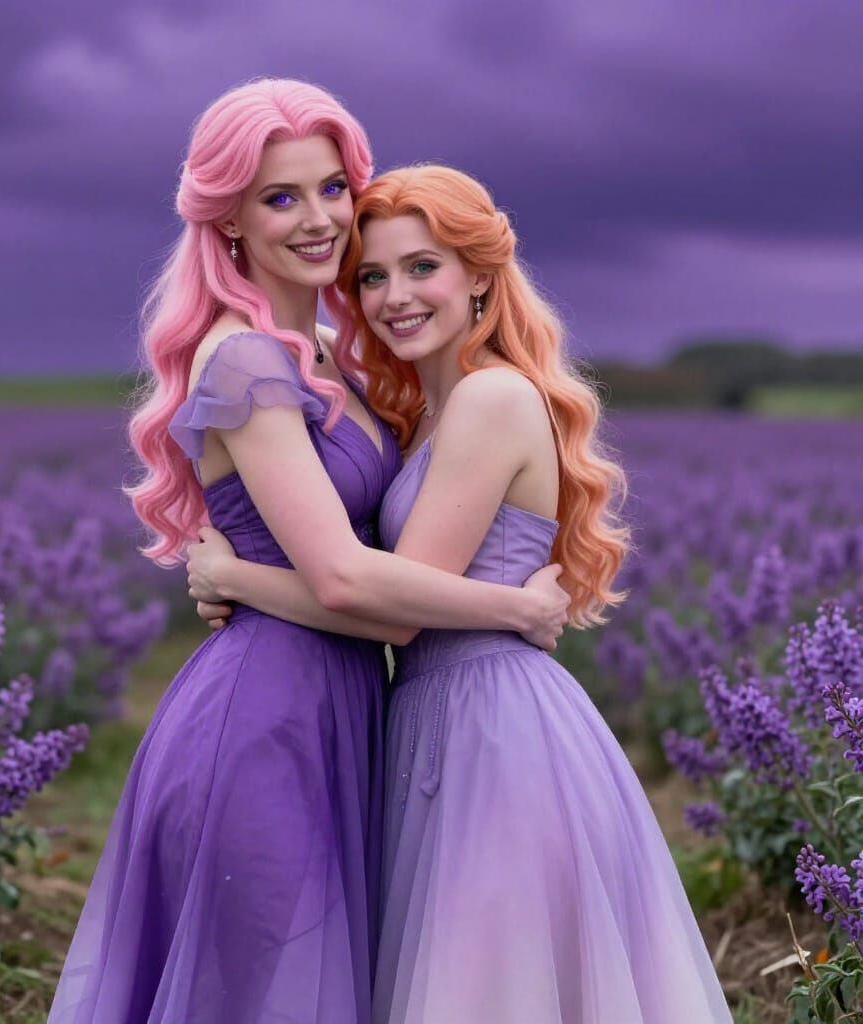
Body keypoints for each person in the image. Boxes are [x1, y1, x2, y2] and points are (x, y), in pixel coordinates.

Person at [49, 81, 569, 1024]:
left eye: (331, 188)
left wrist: (234, 575)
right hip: (266, 715)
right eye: (280, 197)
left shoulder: (329, 352)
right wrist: (518, 607)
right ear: (230, 219)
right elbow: (339, 575)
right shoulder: (247, 359)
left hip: (340, 704)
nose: (320, 218)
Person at [188, 165, 733, 1023]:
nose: (394, 297)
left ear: (478, 274)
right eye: (372, 276)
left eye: (422, 267)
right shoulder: (426, 417)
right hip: (444, 717)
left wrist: (232, 577)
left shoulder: (488, 399)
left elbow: (393, 610)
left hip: (491, 730)